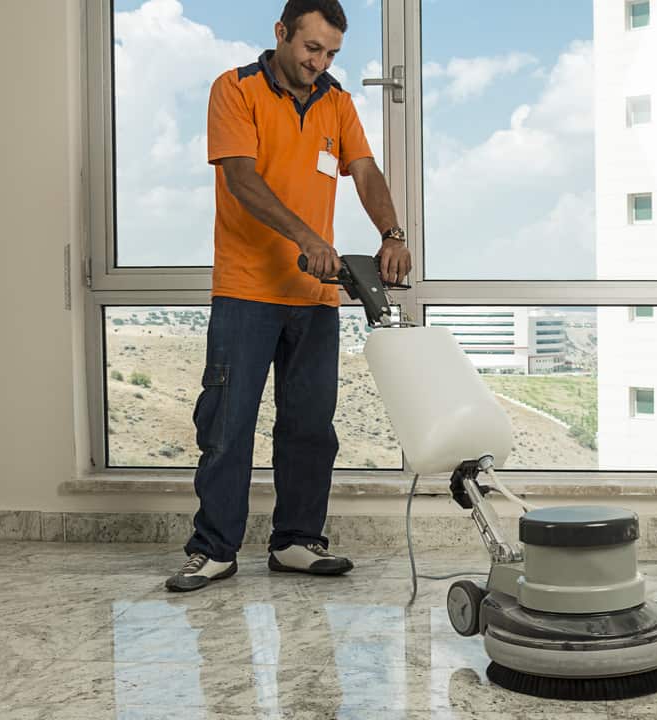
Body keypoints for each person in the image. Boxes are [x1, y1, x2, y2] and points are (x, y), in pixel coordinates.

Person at [166, 0, 411, 592]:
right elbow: (242, 178)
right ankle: (215, 548)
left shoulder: (338, 101)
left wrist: (392, 233)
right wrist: (307, 234)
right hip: (247, 290)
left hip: (314, 295)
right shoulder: (236, 89)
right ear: (281, 33)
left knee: (309, 426)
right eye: (311, 48)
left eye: (330, 53)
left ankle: (297, 541)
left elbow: (365, 171)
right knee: (227, 423)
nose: (319, 62)